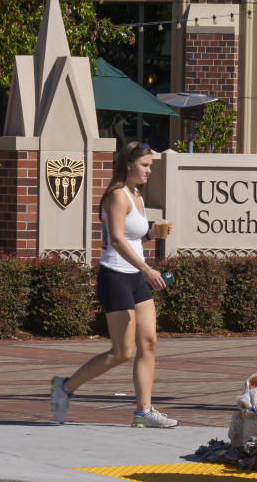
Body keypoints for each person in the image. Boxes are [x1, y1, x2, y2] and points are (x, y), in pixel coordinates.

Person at [50, 141, 177, 428]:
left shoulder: (136, 196)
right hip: (116, 276)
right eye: (145, 165)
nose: (148, 171)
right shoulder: (117, 196)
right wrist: (147, 269)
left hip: (135, 277)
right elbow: (117, 240)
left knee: (149, 342)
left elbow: (132, 237)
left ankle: (143, 412)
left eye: (150, 166)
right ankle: (65, 387)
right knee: (122, 352)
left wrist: (152, 233)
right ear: (128, 165)